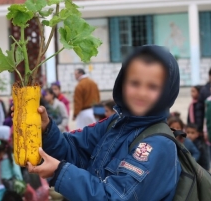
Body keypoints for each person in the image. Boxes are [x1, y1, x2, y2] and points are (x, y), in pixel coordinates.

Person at [25, 46, 181, 200]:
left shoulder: (158, 144)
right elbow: (73, 150)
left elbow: (113, 197)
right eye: (134, 83)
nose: (141, 93)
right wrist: (46, 128)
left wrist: (60, 172)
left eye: (153, 86)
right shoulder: (116, 123)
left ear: (168, 92)